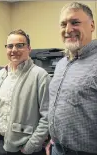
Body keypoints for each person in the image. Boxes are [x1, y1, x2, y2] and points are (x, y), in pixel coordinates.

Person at [0, 29, 50, 155]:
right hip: (1, 143)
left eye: (19, 45)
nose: (14, 50)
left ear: (29, 48)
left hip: (26, 147)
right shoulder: (1, 74)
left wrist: (30, 146)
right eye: (10, 46)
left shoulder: (40, 76)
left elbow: (47, 117)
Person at [46, 2, 97, 155]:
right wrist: (53, 139)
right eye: (63, 24)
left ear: (92, 25)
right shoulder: (62, 64)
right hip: (57, 148)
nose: (68, 30)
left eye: (75, 22)